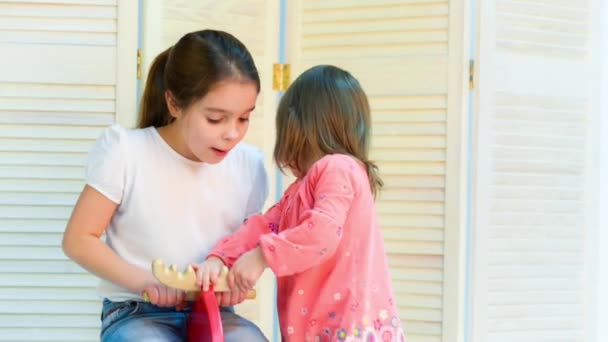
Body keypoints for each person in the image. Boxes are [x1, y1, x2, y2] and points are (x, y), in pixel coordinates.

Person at [62, 29, 269, 341]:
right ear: (174, 103)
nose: (233, 134)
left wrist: (234, 281)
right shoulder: (126, 151)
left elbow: (249, 244)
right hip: (136, 309)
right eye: (216, 119)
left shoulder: (249, 165)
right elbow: (78, 239)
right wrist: (146, 282)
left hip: (213, 311)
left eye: (243, 118)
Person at [196, 65, 406, 341]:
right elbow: (262, 226)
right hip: (318, 329)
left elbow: (322, 233)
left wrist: (261, 256)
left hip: (350, 329)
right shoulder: (301, 189)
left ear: (297, 128)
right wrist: (220, 257)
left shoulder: (338, 168)